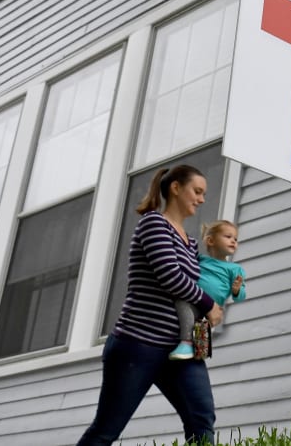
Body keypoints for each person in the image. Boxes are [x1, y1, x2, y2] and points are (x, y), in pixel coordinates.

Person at [78, 165, 223, 446]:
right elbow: (171, 277)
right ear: (176, 188)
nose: (202, 199)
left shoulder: (190, 243)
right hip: (138, 343)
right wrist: (208, 304)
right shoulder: (153, 223)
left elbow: (189, 293)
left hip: (180, 350)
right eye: (197, 191)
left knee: (201, 419)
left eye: (204, 194)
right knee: (106, 430)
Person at [170, 220, 247, 360]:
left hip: (212, 307)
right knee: (182, 304)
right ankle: (186, 343)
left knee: (201, 329)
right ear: (211, 241)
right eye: (228, 237)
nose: (233, 241)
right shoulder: (200, 259)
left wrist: (236, 290)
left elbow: (240, 297)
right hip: (193, 300)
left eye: (235, 239)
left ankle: (200, 352)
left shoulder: (235, 269)